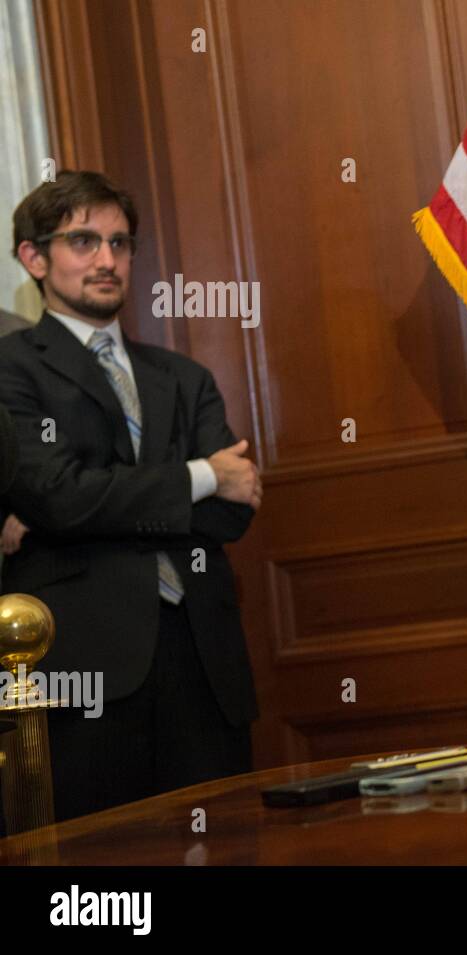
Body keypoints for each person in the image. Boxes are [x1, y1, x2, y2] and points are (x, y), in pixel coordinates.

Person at [1, 171, 262, 820]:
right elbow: (58, 495)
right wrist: (199, 476)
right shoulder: (13, 368)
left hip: (203, 656)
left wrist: (99, 503)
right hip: (87, 661)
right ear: (33, 256)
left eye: (120, 243)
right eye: (83, 241)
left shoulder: (184, 375)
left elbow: (234, 511)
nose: (107, 259)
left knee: (227, 845)